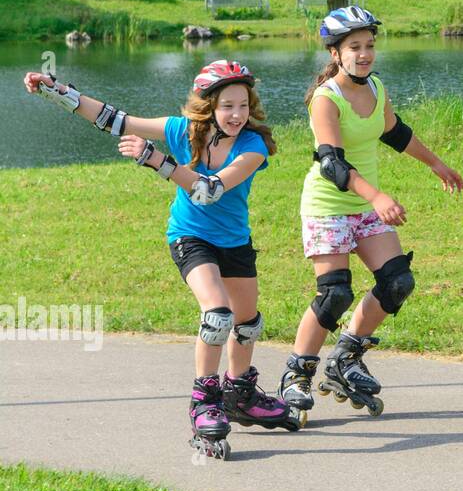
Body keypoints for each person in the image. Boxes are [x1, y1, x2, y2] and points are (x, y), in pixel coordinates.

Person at [24, 60, 284, 460]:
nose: (237, 115)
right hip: (191, 237)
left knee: (248, 324)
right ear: (209, 106)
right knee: (218, 315)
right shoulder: (183, 132)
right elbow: (114, 119)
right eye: (228, 106)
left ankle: (240, 394)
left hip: (234, 242)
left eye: (244, 106)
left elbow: (209, 191)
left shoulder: (253, 146)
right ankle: (205, 401)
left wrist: (158, 162)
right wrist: (55, 91)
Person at [280, 5, 463, 422]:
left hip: (363, 208)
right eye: (354, 47)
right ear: (335, 53)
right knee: (335, 294)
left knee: (398, 280)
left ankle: (346, 357)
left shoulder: (375, 88)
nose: (364, 54)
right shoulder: (326, 99)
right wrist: (378, 196)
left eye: (369, 46)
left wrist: (436, 163)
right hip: (328, 206)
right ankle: (296, 375)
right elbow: (331, 164)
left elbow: (394, 132)